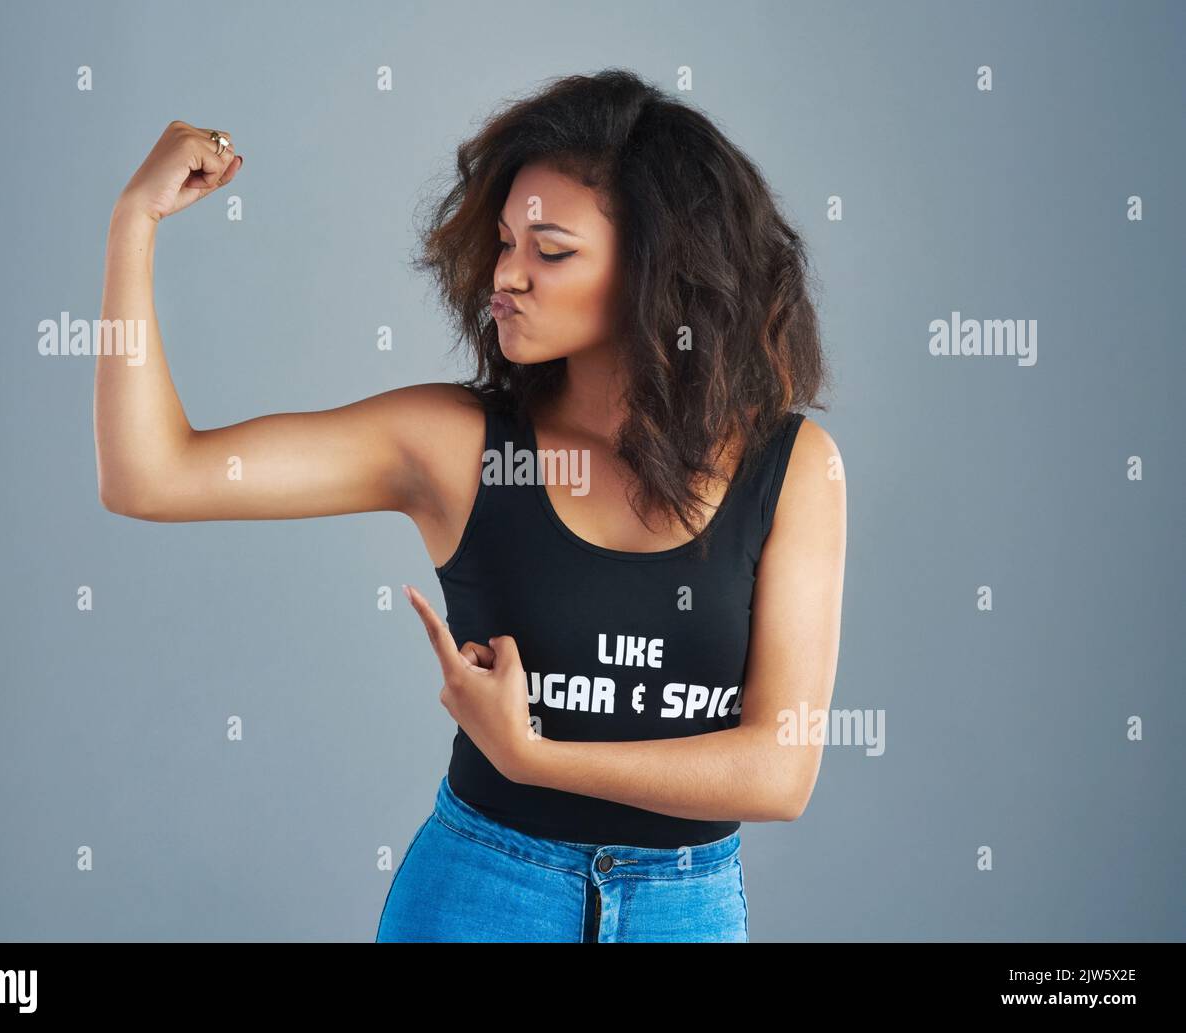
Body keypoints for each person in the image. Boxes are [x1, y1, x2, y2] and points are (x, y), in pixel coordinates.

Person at [94, 69, 846, 942]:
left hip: (687, 907)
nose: (508, 276)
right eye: (504, 243)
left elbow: (780, 771)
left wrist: (535, 756)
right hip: (485, 892)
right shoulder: (453, 445)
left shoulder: (790, 467)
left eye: (551, 251)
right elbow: (149, 476)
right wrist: (132, 225)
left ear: (657, 272)